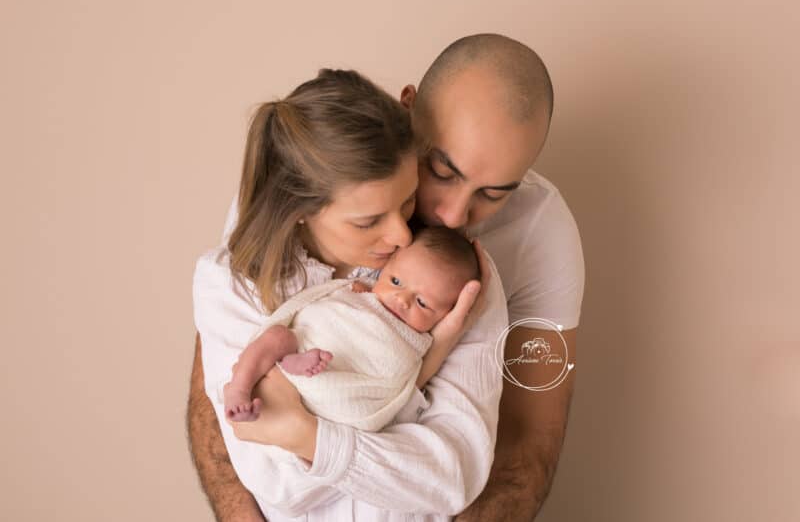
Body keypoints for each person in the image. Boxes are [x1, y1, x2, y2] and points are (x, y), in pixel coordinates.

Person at [188, 33, 585, 521]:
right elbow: (235, 425)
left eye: (494, 193)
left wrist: (309, 436)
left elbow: (520, 444)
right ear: (408, 111)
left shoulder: (512, 258)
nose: (454, 215)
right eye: (441, 170)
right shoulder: (300, 200)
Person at [223, 226, 480, 430]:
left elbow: (402, 383)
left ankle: (297, 368)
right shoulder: (359, 289)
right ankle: (239, 389)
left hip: (344, 390)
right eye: (396, 280)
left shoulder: (417, 341)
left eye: (423, 303)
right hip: (304, 344)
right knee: (277, 336)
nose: (401, 300)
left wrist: (447, 332)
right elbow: (326, 306)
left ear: (446, 314)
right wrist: (358, 292)